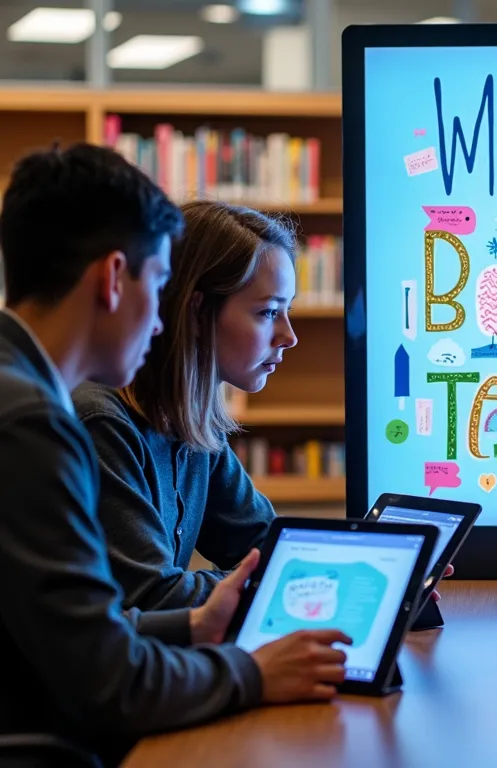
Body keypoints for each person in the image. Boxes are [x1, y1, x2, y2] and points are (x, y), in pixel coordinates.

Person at [0, 144, 349, 766]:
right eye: (158, 285)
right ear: (113, 279)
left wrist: (195, 627)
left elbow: (85, 634)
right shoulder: (38, 422)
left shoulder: (26, 393)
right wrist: (251, 673)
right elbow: (109, 677)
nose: (159, 322)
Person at [72, 200, 298, 611]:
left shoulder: (190, 424)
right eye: (268, 312)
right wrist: (283, 581)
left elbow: (268, 545)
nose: (289, 336)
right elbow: (154, 597)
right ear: (196, 311)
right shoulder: (101, 422)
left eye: (288, 311)